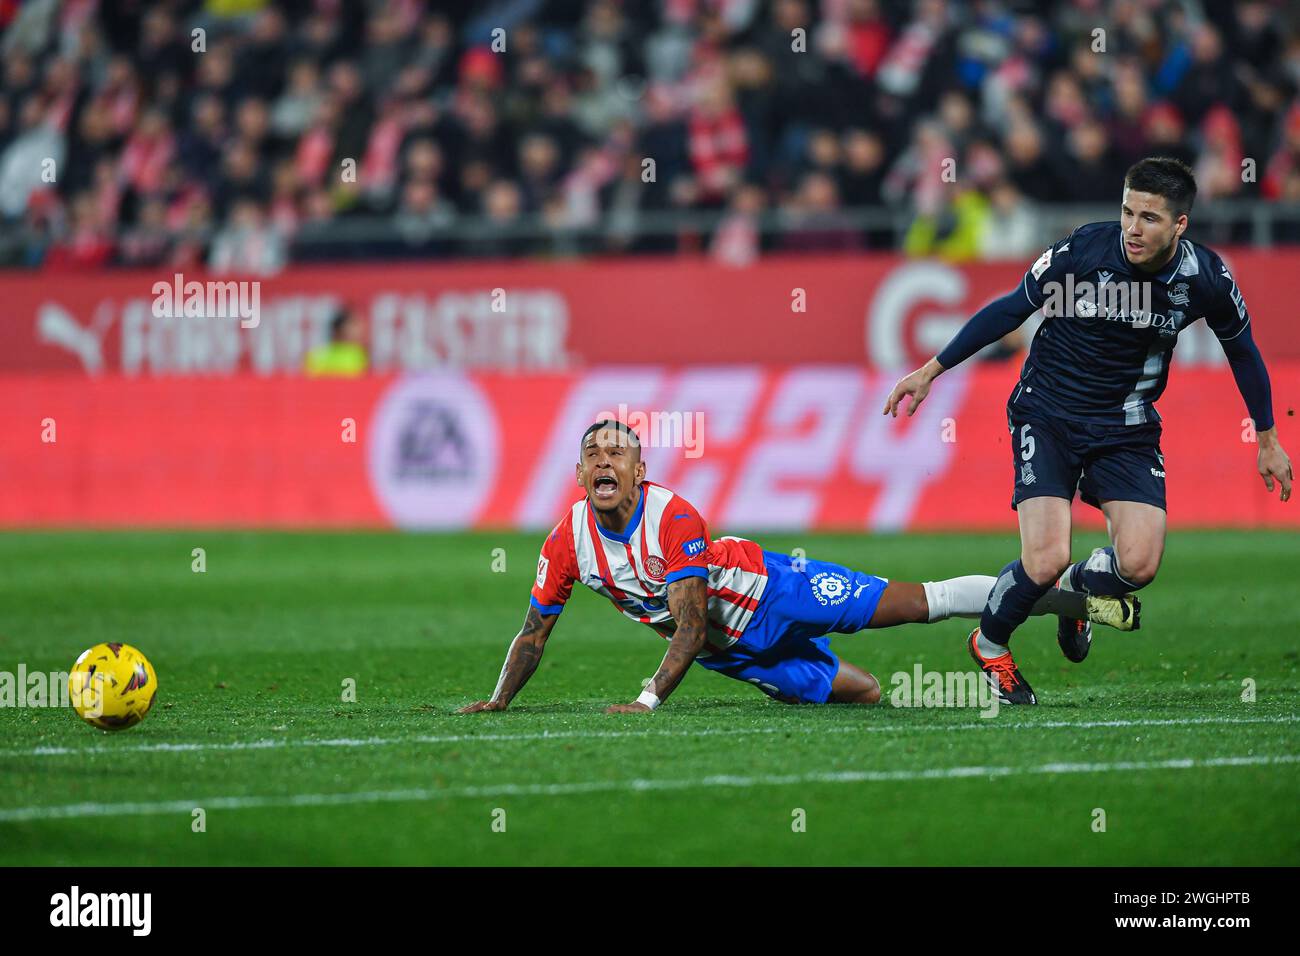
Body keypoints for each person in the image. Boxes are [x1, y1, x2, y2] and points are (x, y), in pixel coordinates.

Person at [883, 156, 1291, 704]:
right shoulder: (1082, 251)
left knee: (1140, 564)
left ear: (1180, 225)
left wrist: (1266, 438)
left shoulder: (1206, 279)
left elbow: (1243, 353)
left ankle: (1076, 596)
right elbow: (1009, 310)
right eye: (1127, 211)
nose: (1133, 228)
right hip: (1046, 413)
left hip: (1126, 427)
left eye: (1149, 218)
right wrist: (932, 370)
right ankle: (991, 642)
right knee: (1044, 558)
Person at [459, 420, 1137, 714]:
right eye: (593, 456)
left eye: (618, 454)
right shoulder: (565, 541)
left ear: (641, 471)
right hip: (740, 658)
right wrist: (498, 700)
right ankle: (1049, 597)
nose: (604, 463)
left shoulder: (674, 518)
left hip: (775, 593)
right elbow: (534, 631)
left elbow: (688, 629)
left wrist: (645, 702)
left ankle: (1064, 594)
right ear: (578, 472)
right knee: (866, 693)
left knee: (920, 602)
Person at [304, 306, 368, 376]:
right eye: (352, 325)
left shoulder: (359, 355)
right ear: (338, 330)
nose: (357, 331)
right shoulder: (316, 356)